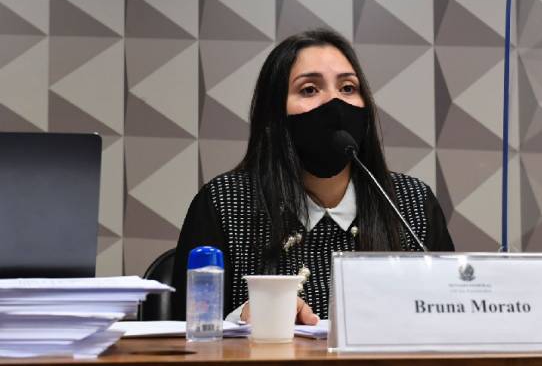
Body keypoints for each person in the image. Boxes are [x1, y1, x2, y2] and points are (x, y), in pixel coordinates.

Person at [170, 28, 454, 323]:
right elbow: (186, 332)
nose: (334, 103)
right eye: (309, 89)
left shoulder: (410, 203)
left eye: (347, 88)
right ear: (274, 115)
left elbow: (451, 321)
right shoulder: (225, 203)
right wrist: (242, 320)